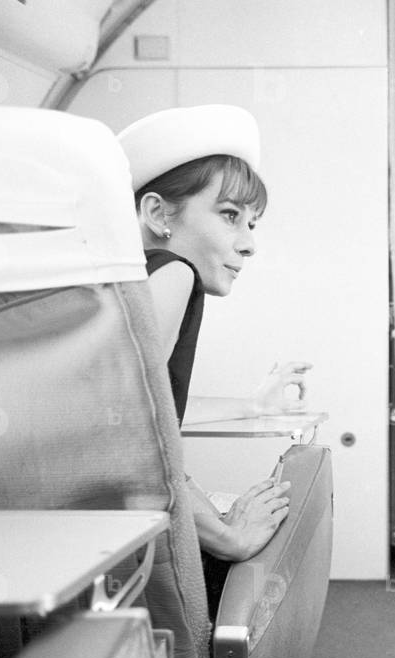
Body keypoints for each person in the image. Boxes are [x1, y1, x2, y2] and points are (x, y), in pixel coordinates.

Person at [117, 105, 310, 578]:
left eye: (251, 223)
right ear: (158, 212)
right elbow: (128, 443)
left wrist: (251, 404)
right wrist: (227, 536)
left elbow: (146, 409)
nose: (249, 244)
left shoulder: (133, 278)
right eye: (230, 216)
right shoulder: (173, 274)